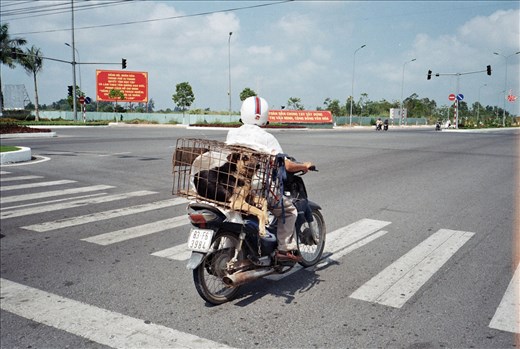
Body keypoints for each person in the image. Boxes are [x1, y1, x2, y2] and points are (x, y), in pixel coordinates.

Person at [226, 96, 313, 263]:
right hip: (257, 188)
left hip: (233, 184)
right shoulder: (267, 138)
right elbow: (286, 165)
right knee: (289, 211)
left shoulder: (233, 133)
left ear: (243, 113)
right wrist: (303, 166)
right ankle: (283, 249)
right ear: (264, 116)